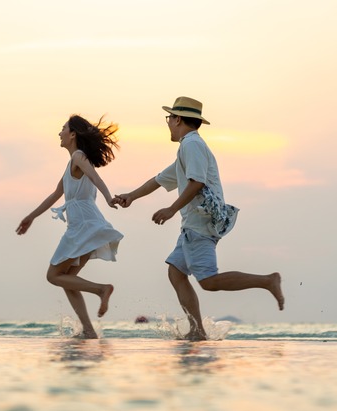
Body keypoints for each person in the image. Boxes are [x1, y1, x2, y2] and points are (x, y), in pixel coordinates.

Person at [113, 96, 284, 341]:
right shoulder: (188, 146)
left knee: (208, 281)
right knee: (176, 272)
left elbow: (197, 182)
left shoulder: (191, 145)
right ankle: (197, 331)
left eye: (170, 118)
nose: (168, 123)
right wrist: (131, 196)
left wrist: (171, 209)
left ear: (178, 119)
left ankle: (268, 281)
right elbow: (161, 179)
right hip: (193, 223)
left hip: (200, 222)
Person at [16, 115, 123, 339]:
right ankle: (89, 331)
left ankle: (101, 289)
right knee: (68, 280)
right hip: (86, 224)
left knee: (53, 275)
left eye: (63, 129)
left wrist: (107, 197)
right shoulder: (71, 163)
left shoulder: (78, 155)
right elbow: (56, 195)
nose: (60, 133)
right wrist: (31, 216)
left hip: (83, 226)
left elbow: (94, 176)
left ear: (73, 134)